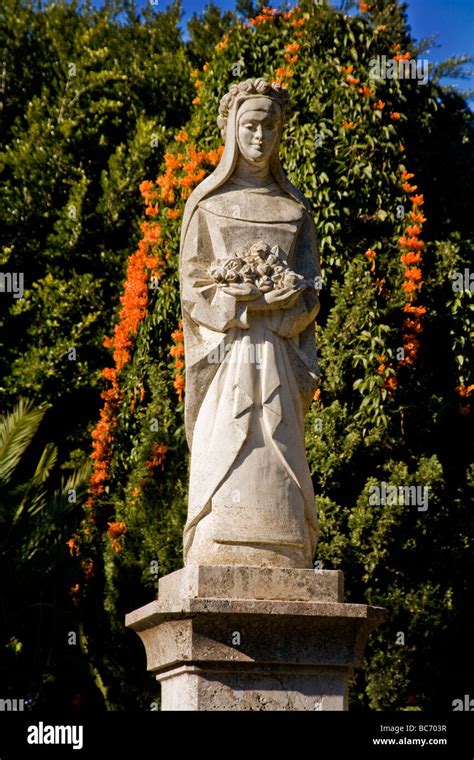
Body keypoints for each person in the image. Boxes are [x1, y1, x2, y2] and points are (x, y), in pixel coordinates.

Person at [179, 78, 321, 568]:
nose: (260, 137)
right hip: (227, 357)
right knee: (226, 439)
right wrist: (237, 303)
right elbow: (192, 288)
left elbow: (312, 293)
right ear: (231, 130)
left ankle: (284, 540)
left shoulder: (297, 210)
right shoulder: (206, 204)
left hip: (279, 357)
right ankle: (217, 535)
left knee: (278, 439)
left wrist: (288, 303)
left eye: (270, 126)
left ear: (281, 133)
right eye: (251, 125)